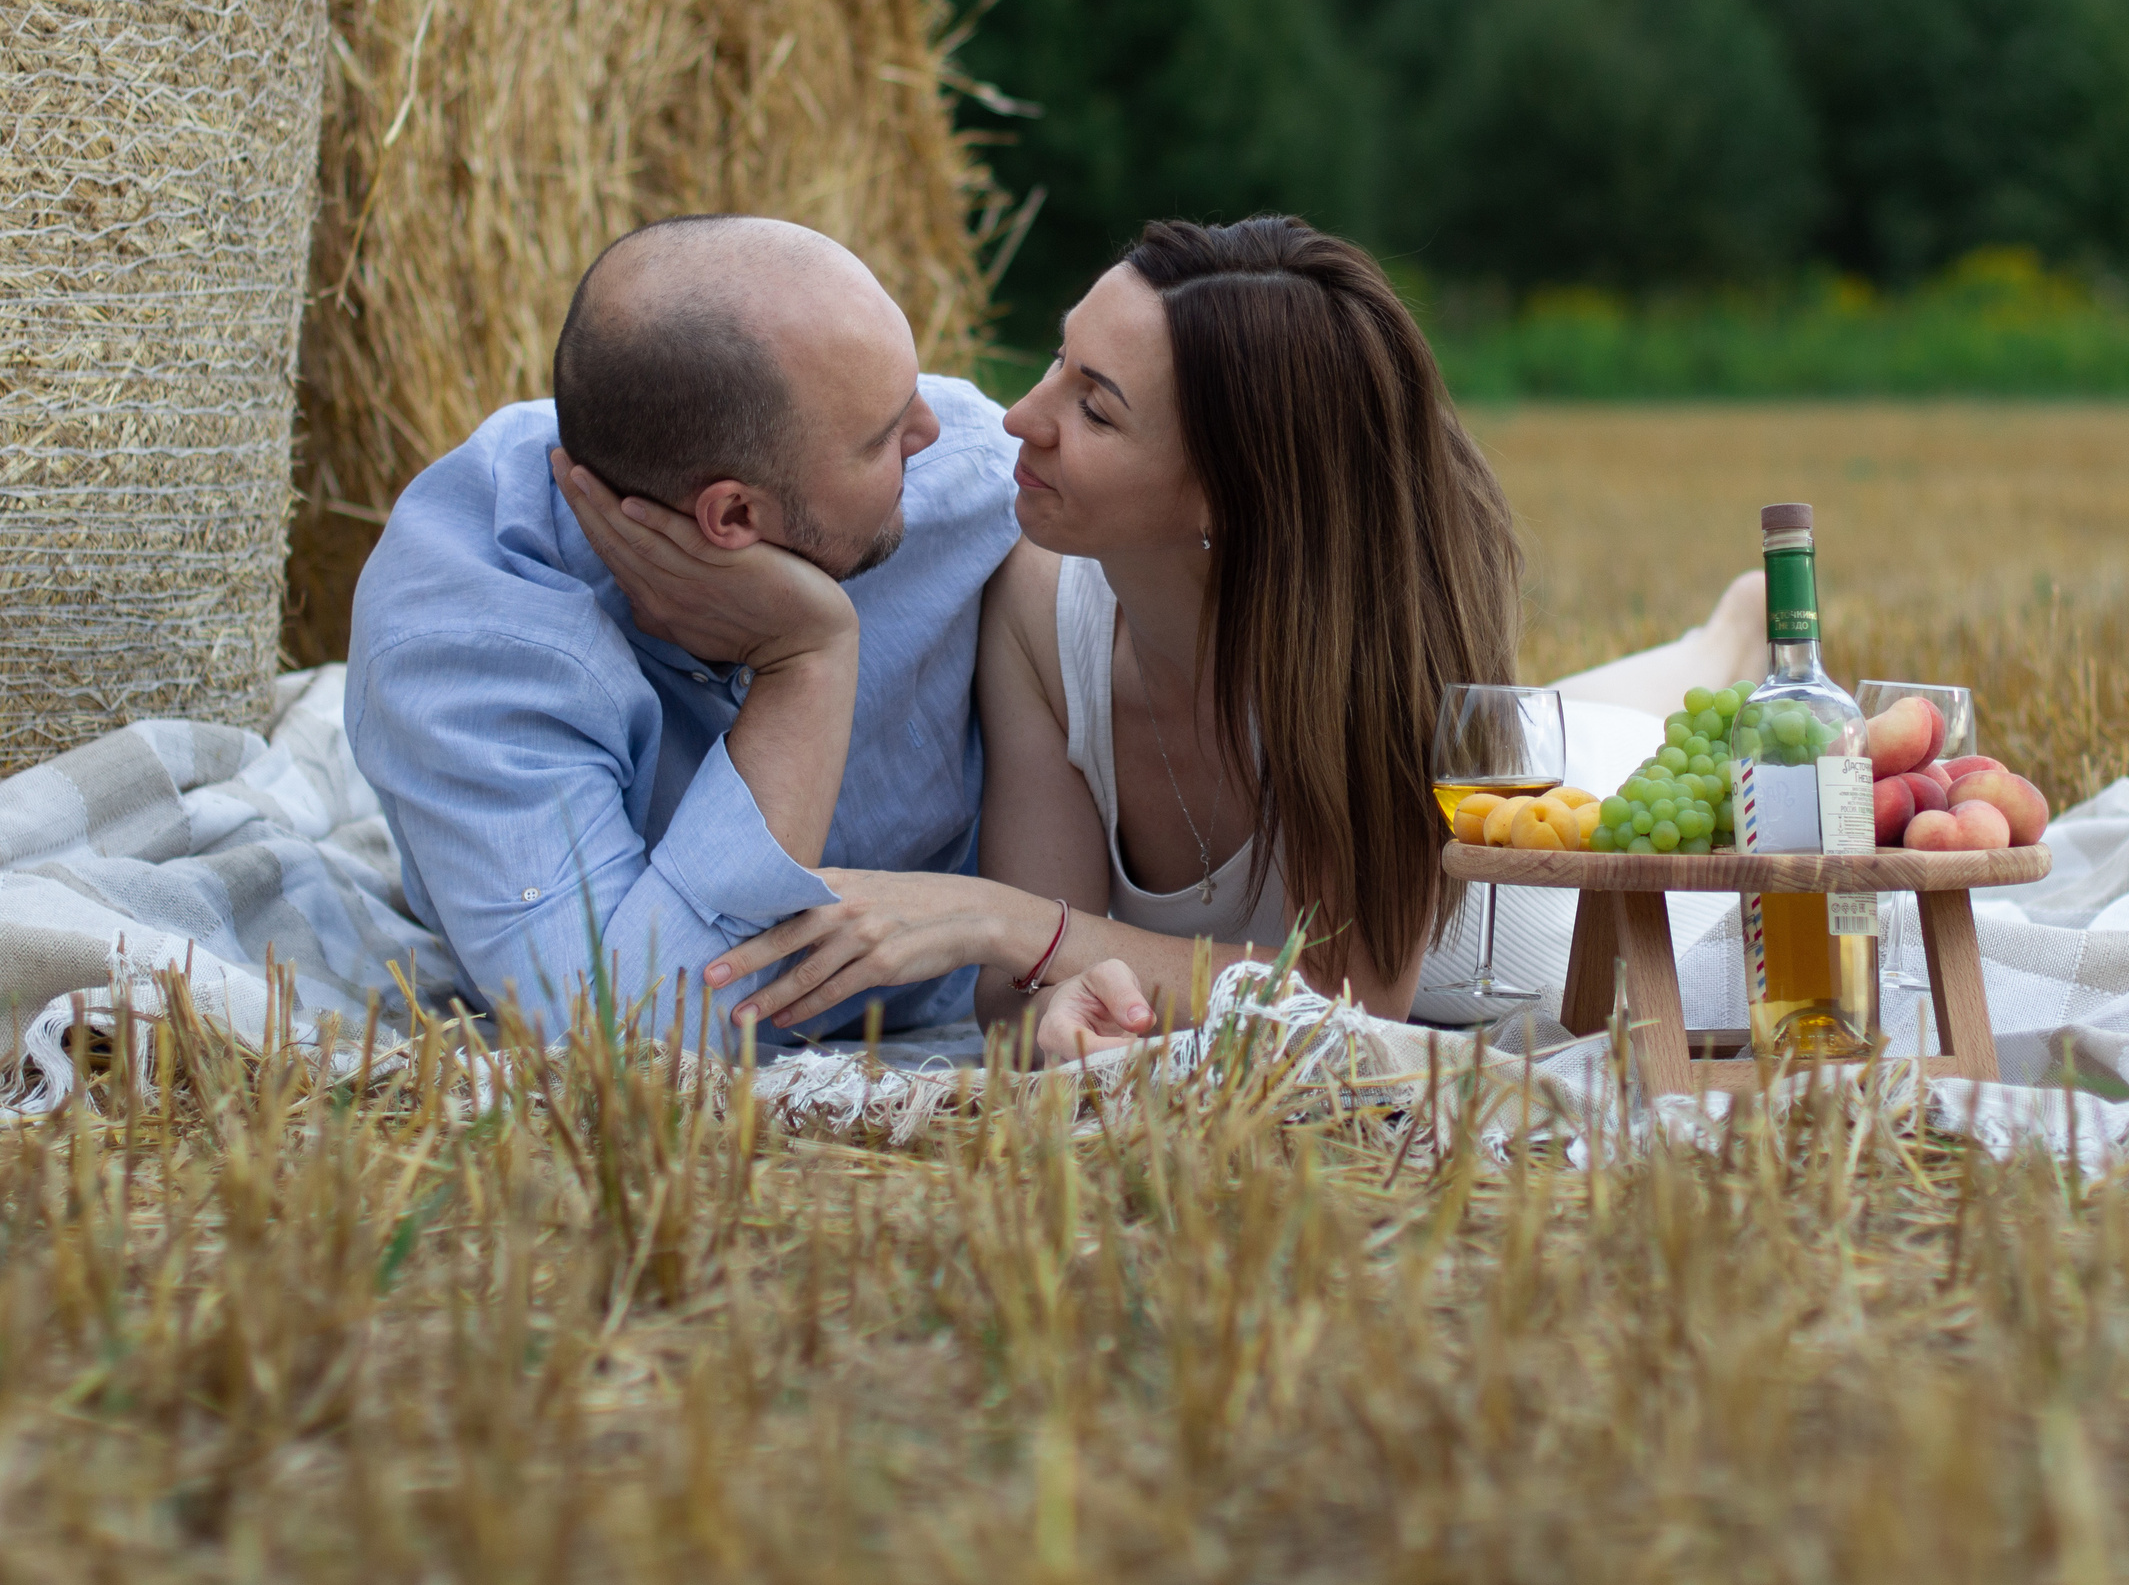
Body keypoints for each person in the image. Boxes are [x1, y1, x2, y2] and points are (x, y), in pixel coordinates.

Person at [647, 217, 1766, 1063]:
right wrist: (1056, 1015)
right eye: (1054, 362)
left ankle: (1723, 653)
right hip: (1499, 760)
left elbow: (1345, 1001)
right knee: (1554, 717)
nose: (1020, 421)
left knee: (1599, 751)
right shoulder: (1036, 609)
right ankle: (1713, 641)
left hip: (1548, 925)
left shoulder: (1359, 665)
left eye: (1095, 408)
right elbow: (1018, 991)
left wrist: (992, 921)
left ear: (1229, 496)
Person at [345, 215, 1018, 1039]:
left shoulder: (970, 480)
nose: (932, 430)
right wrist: (806, 662)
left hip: (975, 1000)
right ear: (733, 513)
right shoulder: (468, 641)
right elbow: (627, 1041)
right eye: (888, 436)